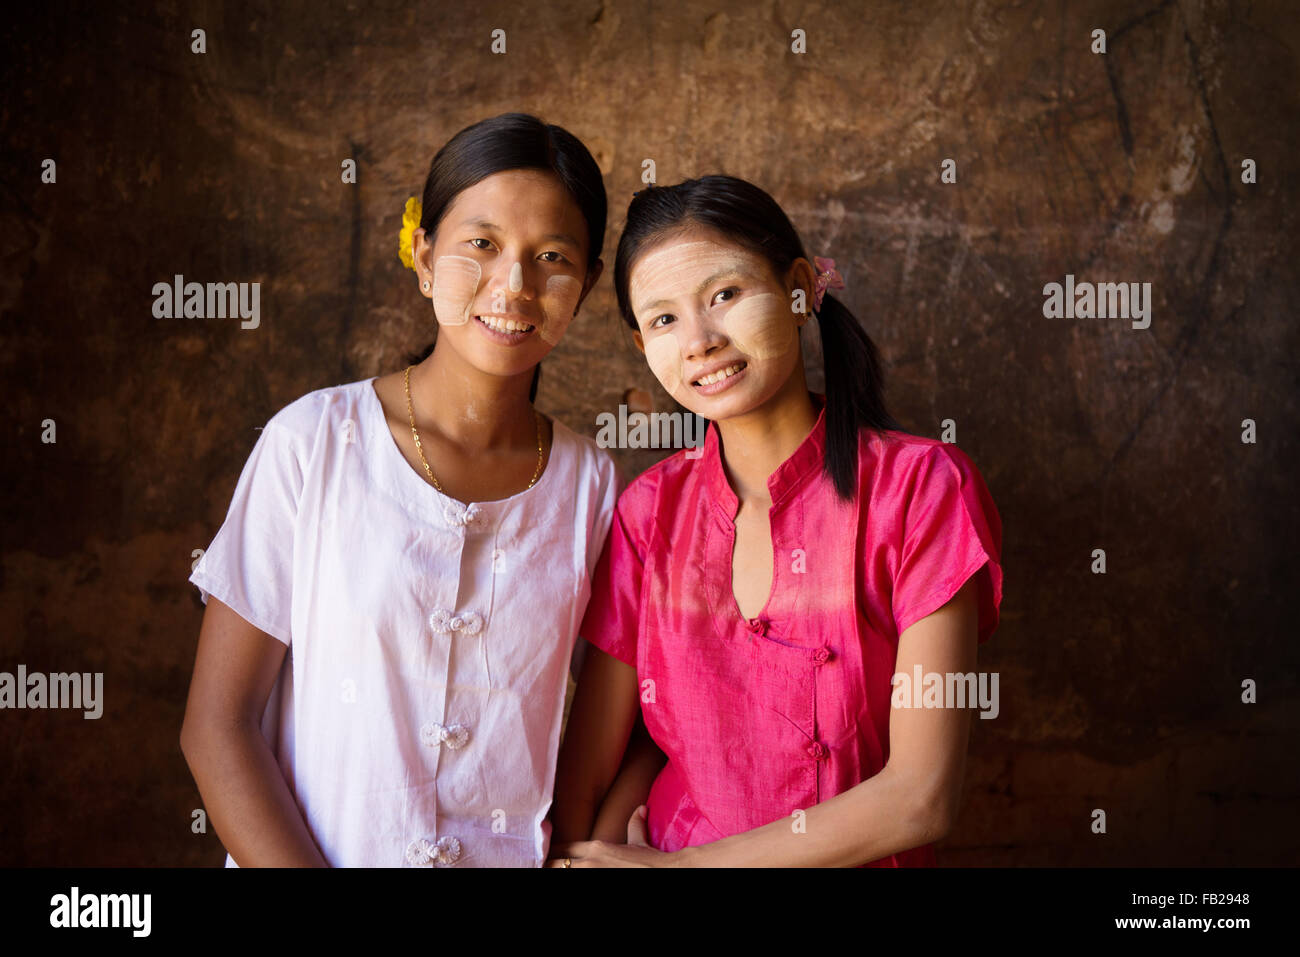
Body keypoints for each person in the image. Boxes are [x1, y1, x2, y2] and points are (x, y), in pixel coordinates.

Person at [180, 112, 631, 867]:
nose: (513, 285)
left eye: (551, 256)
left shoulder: (592, 487)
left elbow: (622, 728)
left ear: (583, 286)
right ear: (424, 256)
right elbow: (219, 725)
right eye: (480, 245)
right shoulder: (313, 443)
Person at [549, 174, 1004, 866]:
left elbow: (922, 795)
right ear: (642, 344)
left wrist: (689, 869)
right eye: (664, 319)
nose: (699, 340)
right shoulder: (648, 513)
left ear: (798, 289)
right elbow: (596, 763)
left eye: (725, 295)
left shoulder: (920, 490)